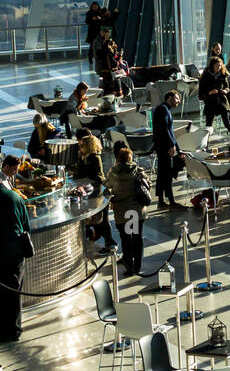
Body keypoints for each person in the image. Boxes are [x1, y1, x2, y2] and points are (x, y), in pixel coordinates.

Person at [0, 154, 32, 347]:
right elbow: (26, 226)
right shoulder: (14, 198)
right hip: (13, 253)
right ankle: (14, 330)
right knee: (14, 291)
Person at [105, 146, 147, 275]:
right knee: (137, 238)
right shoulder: (138, 170)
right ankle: (137, 266)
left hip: (122, 211)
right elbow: (147, 184)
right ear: (130, 158)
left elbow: (106, 186)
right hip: (136, 211)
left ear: (118, 159)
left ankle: (128, 265)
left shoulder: (113, 173)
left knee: (126, 239)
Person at [74, 133, 114, 248]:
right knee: (98, 219)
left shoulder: (94, 158)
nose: (80, 148)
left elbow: (83, 175)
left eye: (81, 146)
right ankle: (101, 237)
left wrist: (80, 161)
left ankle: (109, 242)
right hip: (95, 192)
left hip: (99, 193)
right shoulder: (88, 158)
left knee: (102, 220)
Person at [152, 90, 184, 209]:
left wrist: (178, 148)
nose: (178, 101)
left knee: (163, 174)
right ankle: (169, 201)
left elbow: (170, 132)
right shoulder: (162, 109)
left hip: (164, 146)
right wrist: (172, 145)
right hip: (164, 147)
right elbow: (165, 129)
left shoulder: (165, 110)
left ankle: (162, 201)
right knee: (167, 174)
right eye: (176, 98)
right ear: (169, 97)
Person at [198, 56, 230, 142]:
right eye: (217, 65)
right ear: (212, 66)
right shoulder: (205, 77)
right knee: (208, 125)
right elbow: (200, 95)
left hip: (222, 101)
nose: (219, 67)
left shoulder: (223, 75)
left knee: (227, 123)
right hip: (210, 102)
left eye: (220, 65)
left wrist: (225, 90)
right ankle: (205, 144)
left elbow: (228, 87)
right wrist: (209, 93)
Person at [84, 2, 103, 67]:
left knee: (100, 45)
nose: (95, 8)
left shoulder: (101, 13)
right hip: (92, 33)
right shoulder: (89, 14)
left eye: (96, 7)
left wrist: (99, 19)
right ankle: (90, 58)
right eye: (94, 7)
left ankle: (99, 58)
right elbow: (86, 21)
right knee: (92, 46)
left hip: (99, 32)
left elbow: (103, 21)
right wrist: (92, 19)